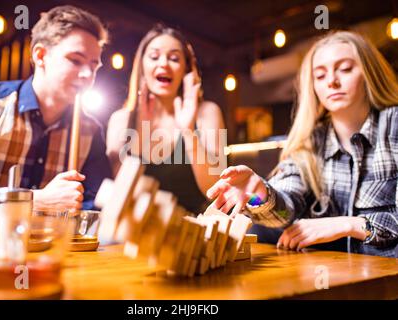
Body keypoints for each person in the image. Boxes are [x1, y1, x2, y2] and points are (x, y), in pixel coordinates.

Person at [206, 31, 398, 257]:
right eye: (320, 75)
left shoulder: (393, 124)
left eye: (345, 69)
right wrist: (259, 193)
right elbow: (284, 209)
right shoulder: (311, 141)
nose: (332, 82)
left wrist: (351, 225)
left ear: (368, 74)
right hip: (344, 282)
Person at [0, 5, 112, 224]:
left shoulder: (91, 131)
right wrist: (30, 201)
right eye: (75, 60)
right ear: (40, 55)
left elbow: (95, 206)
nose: (87, 75)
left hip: (50, 255)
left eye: (94, 66)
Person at [106, 25, 226, 214]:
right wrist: (141, 138)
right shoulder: (121, 120)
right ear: (142, 67)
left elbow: (216, 190)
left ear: (186, 69)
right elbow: (119, 196)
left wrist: (188, 132)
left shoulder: (207, 113)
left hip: (192, 231)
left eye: (174, 58)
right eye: (154, 57)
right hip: (135, 230)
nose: (163, 64)